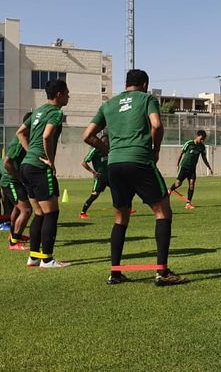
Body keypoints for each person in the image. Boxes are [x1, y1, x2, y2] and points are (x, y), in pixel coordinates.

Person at [83, 69, 185, 286]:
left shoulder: (108, 104)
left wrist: (107, 151)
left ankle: (115, 272)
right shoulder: (147, 99)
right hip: (139, 159)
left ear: (126, 83)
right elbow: (156, 124)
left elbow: (87, 135)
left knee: (121, 216)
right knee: (162, 211)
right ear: (145, 84)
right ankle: (162, 272)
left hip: (115, 164)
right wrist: (155, 150)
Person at [17, 79, 70, 269]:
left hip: (25, 166)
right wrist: (49, 160)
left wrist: (30, 151)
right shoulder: (56, 113)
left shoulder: (38, 111)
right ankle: (47, 259)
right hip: (39, 168)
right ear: (59, 95)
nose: (68, 96)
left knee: (39, 213)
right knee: (51, 213)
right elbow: (47, 136)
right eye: (67, 93)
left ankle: (34, 257)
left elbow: (20, 132)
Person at [2, 117, 33, 251]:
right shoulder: (19, 142)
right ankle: (14, 242)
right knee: (26, 210)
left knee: (17, 209)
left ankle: (14, 235)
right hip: (11, 181)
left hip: (16, 181)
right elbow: (7, 163)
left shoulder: (26, 139)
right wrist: (19, 178)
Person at [169, 130, 213, 209]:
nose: (202, 140)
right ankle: (170, 190)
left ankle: (188, 203)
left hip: (192, 169)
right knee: (178, 184)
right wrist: (177, 164)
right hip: (184, 167)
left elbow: (204, 158)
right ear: (198, 136)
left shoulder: (202, 147)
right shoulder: (189, 143)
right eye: (202, 138)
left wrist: (209, 167)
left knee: (192, 185)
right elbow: (181, 153)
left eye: (204, 139)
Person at [79, 134, 109, 219]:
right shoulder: (95, 150)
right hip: (100, 178)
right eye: (104, 142)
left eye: (107, 142)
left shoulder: (109, 150)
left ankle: (126, 209)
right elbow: (84, 163)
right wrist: (93, 172)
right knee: (94, 195)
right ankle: (82, 212)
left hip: (110, 176)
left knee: (120, 191)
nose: (106, 143)